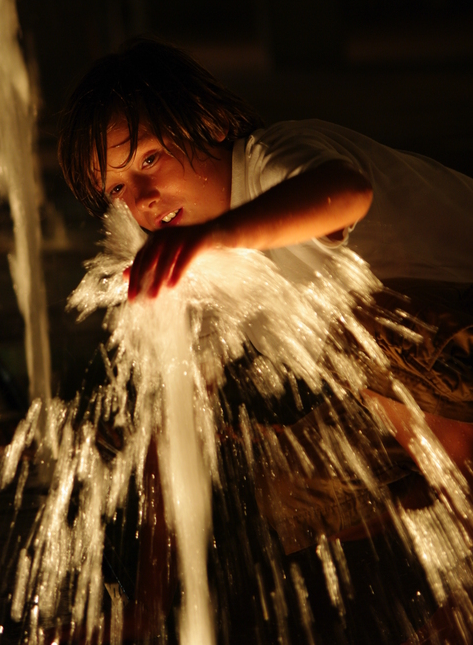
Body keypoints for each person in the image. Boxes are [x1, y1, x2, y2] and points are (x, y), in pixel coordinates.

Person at [58, 36, 473, 641]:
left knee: (360, 329)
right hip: (424, 392)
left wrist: (216, 237)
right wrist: (147, 606)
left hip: (453, 325)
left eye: (149, 160)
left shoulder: (271, 156)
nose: (141, 199)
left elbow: (345, 194)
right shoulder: (191, 265)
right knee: (283, 487)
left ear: (210, 123)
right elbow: (170, 439)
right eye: (117, 188)